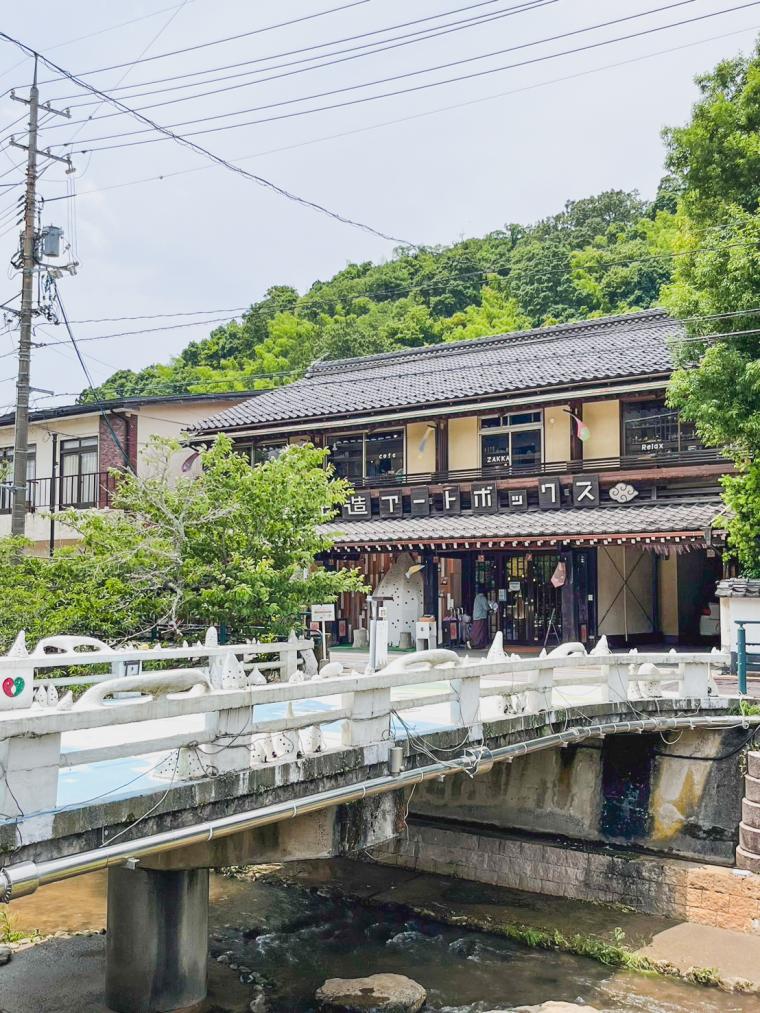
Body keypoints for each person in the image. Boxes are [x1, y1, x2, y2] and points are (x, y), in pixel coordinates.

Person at [469, 585, 491, 650]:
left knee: (476, 631)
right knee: (481, 631)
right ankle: (479, 644)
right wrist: (490, 608)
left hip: (476, 616)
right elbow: (486, 607)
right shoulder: (482, 598)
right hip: (481, 616)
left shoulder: (477, 597)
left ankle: (474, 643)